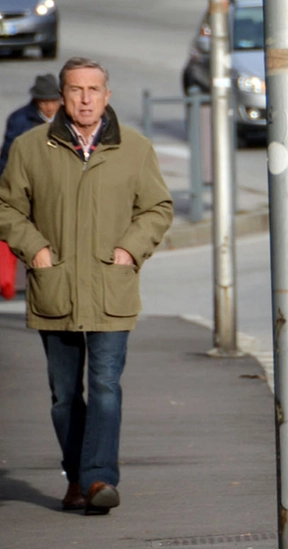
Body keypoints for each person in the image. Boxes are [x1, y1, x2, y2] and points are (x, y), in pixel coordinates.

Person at [0, 57, 174, 515]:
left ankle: (99, 479)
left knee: (104, 386)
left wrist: (130, 251)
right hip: (54, 289)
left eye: (93, 89)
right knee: (63, 396)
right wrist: (35, 249)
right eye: (75, 90)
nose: (84, 98)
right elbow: (7, 208)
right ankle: (77, 476)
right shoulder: (30, 147)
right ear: (62, 95)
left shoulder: (134, 148)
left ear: (107, 95)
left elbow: (157, 207)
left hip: (111, 288)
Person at [0, 74, 61, 301]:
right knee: (30, 241)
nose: (48, 106)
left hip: (57, 191)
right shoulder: (20, 120)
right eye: (43, 102)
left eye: (52, 101)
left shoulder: (68, 118)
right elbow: (7, 158)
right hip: (28, 190)